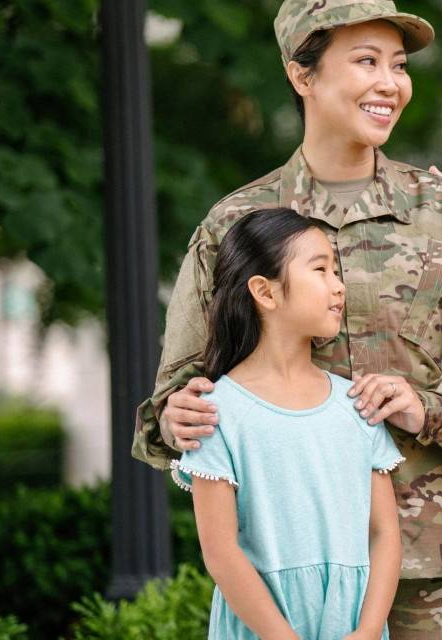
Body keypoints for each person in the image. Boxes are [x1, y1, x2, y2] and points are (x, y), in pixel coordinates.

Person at [131, 0, 442, 640]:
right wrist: (177, 416)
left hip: (428, 561)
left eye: (399, 65)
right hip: (285, 575)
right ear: (302, 74)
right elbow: (175, 398)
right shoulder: (236, 226)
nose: (390, 83)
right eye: (366, 60)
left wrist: (429, 405)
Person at [176, 209, 402, 639]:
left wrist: (369, 630)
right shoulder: (216, 411)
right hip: (261, 628)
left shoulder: (356, 404)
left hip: (353, 623)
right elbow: (221, 553)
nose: (338, 286)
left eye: (336, 271)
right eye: (320, 269)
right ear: (265, 291)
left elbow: (385, 531)